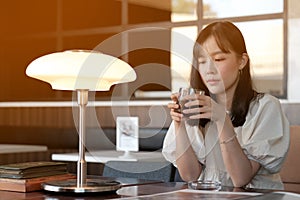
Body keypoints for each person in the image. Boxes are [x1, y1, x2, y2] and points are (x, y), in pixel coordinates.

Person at [162, 21, 290, 190]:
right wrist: (180, 125)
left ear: (242, 61)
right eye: (202, 61)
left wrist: (221, 119)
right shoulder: (194, 105)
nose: (209, 70)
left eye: (218, 59)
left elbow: (240, 179)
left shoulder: (265, 107)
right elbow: (190, 176)